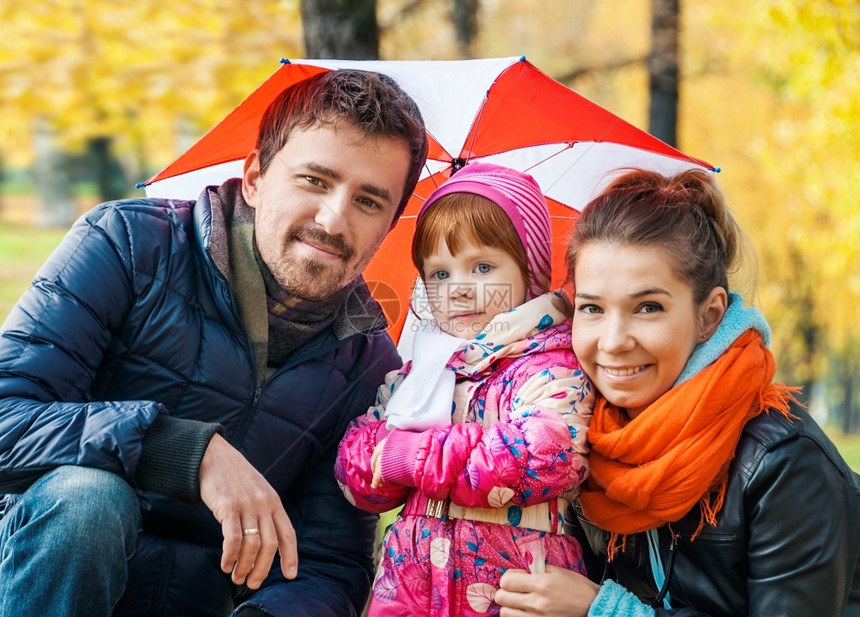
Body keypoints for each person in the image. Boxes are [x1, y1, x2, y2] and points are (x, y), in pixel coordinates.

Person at [0, 69, 429, 617]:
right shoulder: (127, 246)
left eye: (369, 201)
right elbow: (8, 418)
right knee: (88, 501)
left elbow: (327, 565)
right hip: (39, 577)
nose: (333, 219)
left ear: (390, 225)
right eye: (315, 181)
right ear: (254, 177)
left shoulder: (369, 364)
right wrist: (184, 451)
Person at [494, 168, 860, 617]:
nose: (612, 341)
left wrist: (605, 611)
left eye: (648, 307)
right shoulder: (578, 442)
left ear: (709, 316)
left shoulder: (782, 463)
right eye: (592, 308)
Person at [335, 162, 594, 616]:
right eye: (438, 274)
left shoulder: (550, 364)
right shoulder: (421, 372)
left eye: (481, 267)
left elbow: (539, 455)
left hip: (512, 586)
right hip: (409, 588)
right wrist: (380, 455)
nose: (456, 290)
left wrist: (404, 456)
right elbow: (357, 476)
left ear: (530, 271)